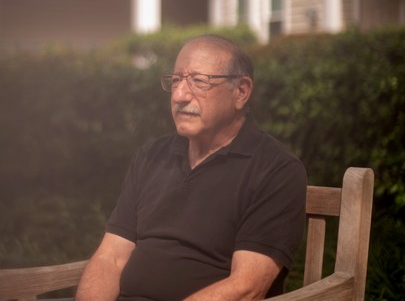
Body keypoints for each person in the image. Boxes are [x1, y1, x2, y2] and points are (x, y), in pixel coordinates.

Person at [76, 34, 307, 301]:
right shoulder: (152, 157)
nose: (179, 95)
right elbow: (111, 258)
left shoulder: (275, 170)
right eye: (175, 80)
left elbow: (246, 287)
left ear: (241, 92)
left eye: (199, 81)